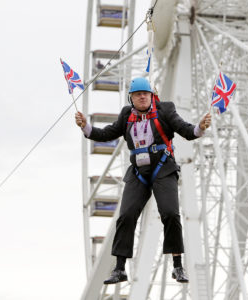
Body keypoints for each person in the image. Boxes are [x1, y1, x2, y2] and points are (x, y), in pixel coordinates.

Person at [75, 77, 212, 284]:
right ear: (131, 98)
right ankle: (120, 269)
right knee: (126, 215)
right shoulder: (126, 115)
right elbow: (106, 133)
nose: (142, 97)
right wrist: (86, 127)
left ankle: (177, 266)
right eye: (138, 94)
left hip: (163, 169)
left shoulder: (165, 110)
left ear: (151, 95)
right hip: (138, 172)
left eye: (145, 94)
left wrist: (200, 128)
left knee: (170, 213)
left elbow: (184, 129)